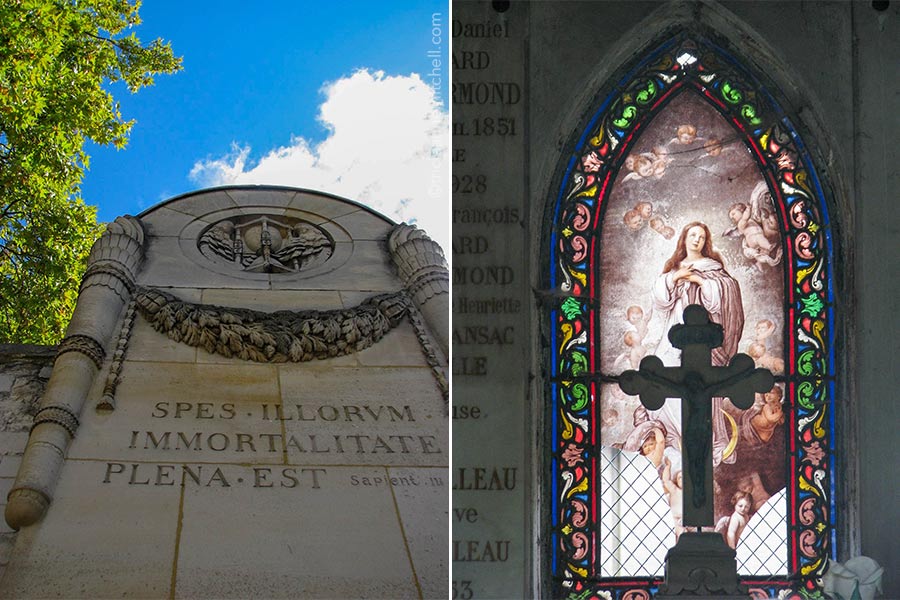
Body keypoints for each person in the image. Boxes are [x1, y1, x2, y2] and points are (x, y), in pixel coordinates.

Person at [649, 222, 745, 465]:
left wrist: (703, 283)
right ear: (684, 238)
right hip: (675, 333)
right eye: (692, 235)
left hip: (703, 339)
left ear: (706, 242)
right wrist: (677, 277)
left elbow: (726, 294)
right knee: (667, 381)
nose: (696, 240)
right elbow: (660, 300)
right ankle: (677, 440)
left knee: (702, 385)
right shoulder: (675, 268)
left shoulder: (713, 269)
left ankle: (704, 441)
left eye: (701, 237)